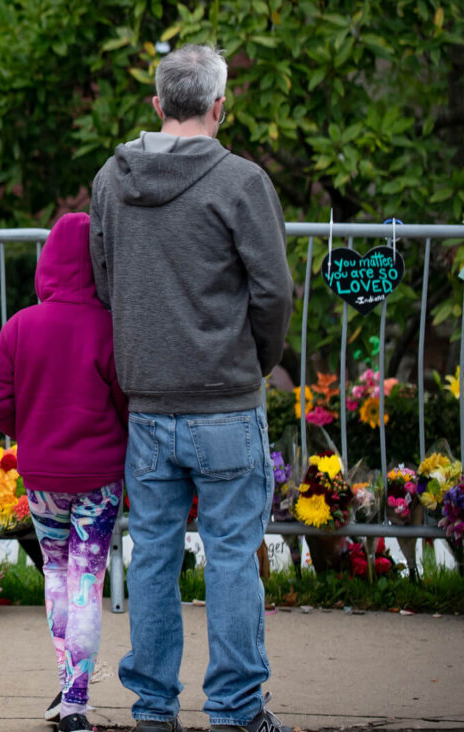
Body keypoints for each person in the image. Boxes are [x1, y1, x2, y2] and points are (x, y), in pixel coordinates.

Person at [88, 45, 294, 732]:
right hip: (227, 404)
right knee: (234, 557)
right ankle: (236, 712)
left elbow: (106, 279)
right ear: (218, 106)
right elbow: (273, 291)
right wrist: (255, 362)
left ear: (156, 105)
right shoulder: (242, 182)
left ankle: (153, 712)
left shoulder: (109, 182)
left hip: (148, 407)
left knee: (151, 559)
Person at [0, 213, 129, 732]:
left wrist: (30, 429)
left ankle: (68, 691)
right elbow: (127, 404)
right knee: (87, 578)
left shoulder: (21, 325)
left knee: (55, 574)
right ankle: (75, 703)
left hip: (42, 478)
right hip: (100, 478)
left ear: (49, 262)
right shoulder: (110, 328)